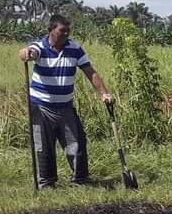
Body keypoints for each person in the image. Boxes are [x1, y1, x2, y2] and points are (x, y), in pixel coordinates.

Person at [18, 14, 114, 188]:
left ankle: (81, 180)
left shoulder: (75, 49)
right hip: (41, 106)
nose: (66, 34)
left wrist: (104, 94)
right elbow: (29, 52)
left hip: (66, 106)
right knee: (44, 147)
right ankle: (47, 183)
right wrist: (26, 53)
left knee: (76, 143)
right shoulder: (40, 46)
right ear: (51, 30)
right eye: (62, 30)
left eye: (68, 31)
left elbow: (90, 72)